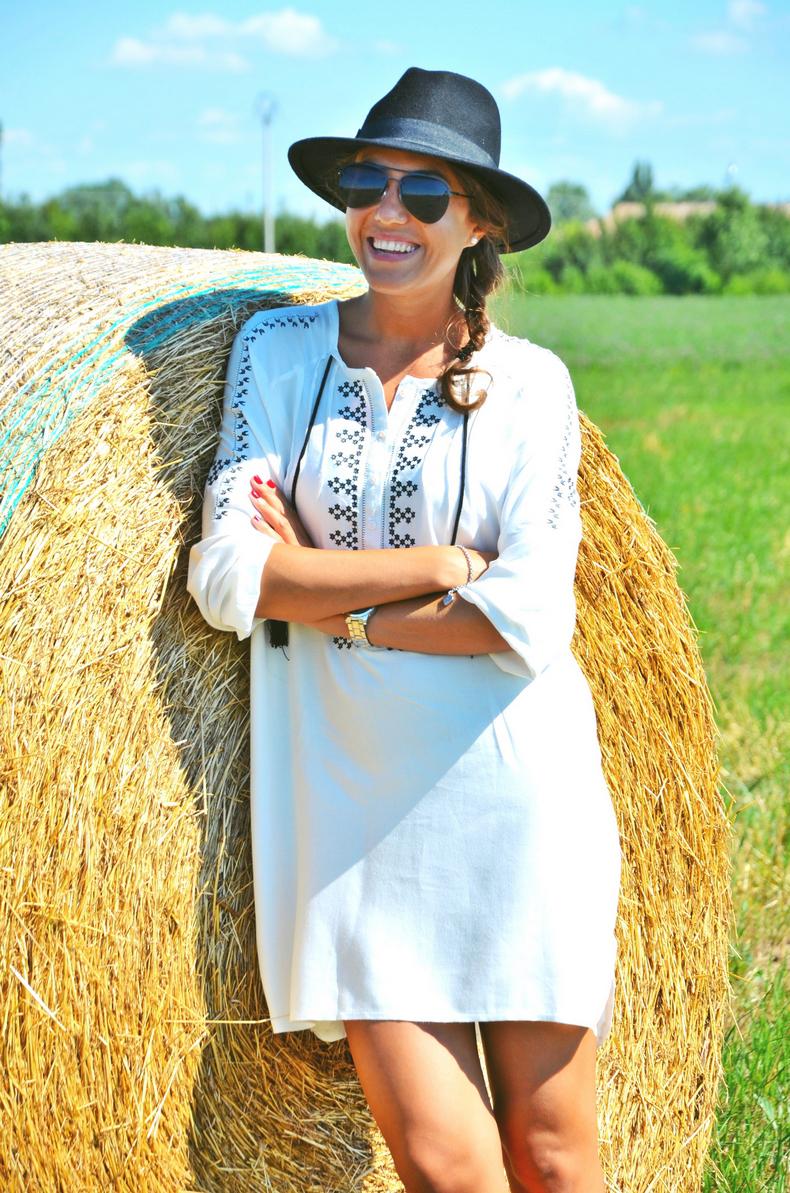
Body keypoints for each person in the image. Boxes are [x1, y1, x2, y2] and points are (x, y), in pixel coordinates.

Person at [188, 67, 622, 1193]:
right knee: (444, 1166)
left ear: (480, 222)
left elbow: (527, 613)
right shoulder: (279, 352)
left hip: (516, 796)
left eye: (423, 193)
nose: (386, 211)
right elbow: (230, 573)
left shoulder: (531, 385)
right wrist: (433, 570)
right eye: (365, 182)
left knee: (554, 1158)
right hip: (352, 814)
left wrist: (327, 597)